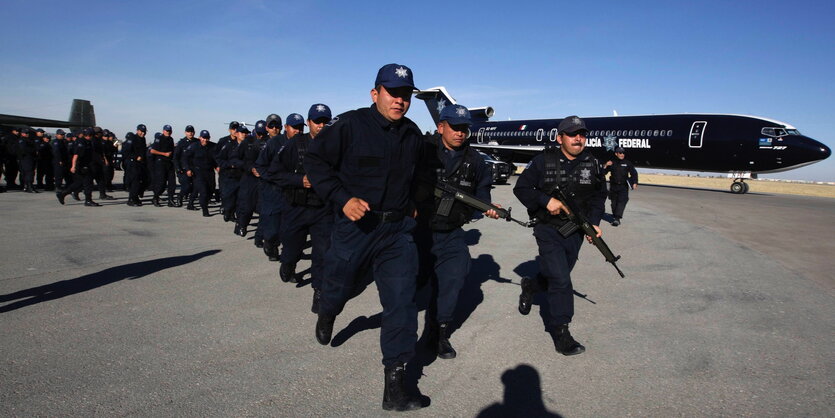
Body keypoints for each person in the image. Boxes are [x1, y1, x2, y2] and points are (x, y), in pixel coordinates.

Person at [305, 63, 425, 411]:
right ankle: (328, 312)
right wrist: (343, 199)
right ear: (376, 94)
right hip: (356, 228)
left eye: (406, 95)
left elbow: (420, 174)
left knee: (402, 303)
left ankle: (396, 383)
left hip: (396, 232)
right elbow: (315, 161)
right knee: (339, 286)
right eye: (393, 93)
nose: (400, 101)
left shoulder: (413, 135)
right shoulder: (350, 125)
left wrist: (414, 202)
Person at [412, 104, 501, 360]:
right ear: (441, 127)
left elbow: (482, 193)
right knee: (410, 285)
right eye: (455, 127)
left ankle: (438, 334)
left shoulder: (476, 161)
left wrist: (486, 207)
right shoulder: (422, 151)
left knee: (453, 279)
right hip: (418, 231)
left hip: (451, 232)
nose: (461, 133)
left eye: (465, 129)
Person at [513, 115, 606, 356]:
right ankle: (561, 331)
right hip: (548, 228)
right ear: (559, 137)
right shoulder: (543, 161)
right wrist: (545, 200)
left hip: (575, 230)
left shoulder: (593, 163)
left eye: (582, 134)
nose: (578, 138)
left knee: (558, 275)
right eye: (573, 134)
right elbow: (521, 188)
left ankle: (531, 285)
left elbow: (598, 196)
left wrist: (594, 223)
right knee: (562, 280)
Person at [273, 104, 334, 314]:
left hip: (323, 210)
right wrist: (300, 180)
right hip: (296, 207)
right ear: (309, 123)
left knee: (323, 253)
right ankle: (288, 265)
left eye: (326, 121)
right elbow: (274, 173)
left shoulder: (335, 145)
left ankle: (319, 291)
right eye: (318, 122)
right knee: (292, 249)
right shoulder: (295, 144)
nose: (322, 126)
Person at [256, 114, 299, 262]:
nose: (297, 131)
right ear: (287, 127)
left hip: (293, 190)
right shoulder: (274, 143)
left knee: (289, 227)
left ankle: (288, 256)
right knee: (273, 226)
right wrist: (272, 178)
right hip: (273, 190)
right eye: (294, 127)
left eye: (300, 128)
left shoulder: (303, 143)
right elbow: (260, 165)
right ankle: (270, 243)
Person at [235, 120, 268, 238]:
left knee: (262, 207)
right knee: (247, 206)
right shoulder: (247, 142)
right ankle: (242, 225)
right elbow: (236, 159)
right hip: (249, 179)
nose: (261, 136)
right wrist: (250, 168)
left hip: (264, 179)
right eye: (259, 133)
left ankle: (261, 234)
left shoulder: (269, 142)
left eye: (263, 133)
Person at [57, 128, 100, 206]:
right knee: (88, 183)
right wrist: (73, 166)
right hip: (82, 166)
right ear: (88, 135)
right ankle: (88, 200)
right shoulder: (81, 142)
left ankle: (63, 194)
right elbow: (76, 155)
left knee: (79, 183)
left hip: (87, 164)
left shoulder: (88, 142)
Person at [183, 130, 218, 217]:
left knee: (211, 190)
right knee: (203, 191)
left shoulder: (213, 146)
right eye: (203, 138)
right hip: (198, 172)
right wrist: (187, 169)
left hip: (209, 172)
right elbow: (185, 158)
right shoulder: (194, 146)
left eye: (207, 138)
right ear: (200, 138)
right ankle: (205, 209)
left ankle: (193, 203)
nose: (205, 140)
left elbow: (216, 159)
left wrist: (217, 166)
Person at [216, 125, 246, 222]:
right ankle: (228, 210)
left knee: (240, 199)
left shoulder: (248, 146)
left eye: (246, 133)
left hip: (242, 176)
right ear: (237, 134)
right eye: (242, 133)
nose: (244, 135)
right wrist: (230, 165)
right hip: (229, 176)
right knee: (229, 197)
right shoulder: (229, 145)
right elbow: (219, 159)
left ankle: (236, 216)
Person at [603, 147, 638, 226]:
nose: (622, 154)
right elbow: (603, 173)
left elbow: (634, 173)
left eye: (623, 153)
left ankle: (617, 218)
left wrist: (635, 182)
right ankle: (615, 215)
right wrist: (605, 165)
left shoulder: (627, 163)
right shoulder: (611, 162)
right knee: (614, 203)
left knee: (622, 201)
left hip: (623, 186)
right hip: (613, 186)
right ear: (616, 154)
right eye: (620, 153)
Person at [150, 124, 177, 207]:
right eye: (166, 131)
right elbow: (152, 151)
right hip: (161, 162)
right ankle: (155, 197)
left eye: (169, 131)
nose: (168, 132)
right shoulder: (159, 138)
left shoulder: (171, 139)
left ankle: (170, 200)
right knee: (161, 183)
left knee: (172, 183)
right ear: (163, 131)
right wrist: (164, 154)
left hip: (169, 163)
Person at [123, 124, 148, 206]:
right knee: (135, 181)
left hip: (140, 164)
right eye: (141, 131)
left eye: (144, 132)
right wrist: (135, 157)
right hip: (133, 163)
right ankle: (131, 199)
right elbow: (126, 151)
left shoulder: (143, 139)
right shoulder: (132, 138)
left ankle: (135, 197)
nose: (143, 133)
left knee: (142, 181)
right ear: (137, 131)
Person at [174, 125, 197, 207]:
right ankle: (179, 197)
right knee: (186, 186)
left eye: (192, 131)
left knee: (195, 187)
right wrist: (178, 168)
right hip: (183, 169)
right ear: (185, 132)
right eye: (188, 131)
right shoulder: (181, 143)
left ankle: (191, 204)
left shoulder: (197, 142)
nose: (190, 133)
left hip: (194, 168)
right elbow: (176, 157)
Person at [17, 128, 39, 193]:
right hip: (26, 158)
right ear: (22, 133)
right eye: (26, 133)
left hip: (30, 158)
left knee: (30, 172)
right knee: (28, 172)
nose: (27, 134)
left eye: (27, 133)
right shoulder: (22, 140)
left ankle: (29, 186)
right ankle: (28, 186)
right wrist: (33, 150)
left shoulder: (28, 140)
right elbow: (23, 149)